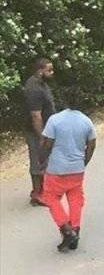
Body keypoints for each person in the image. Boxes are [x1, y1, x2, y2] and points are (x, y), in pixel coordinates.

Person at [40, 88, 96, 251]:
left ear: (64, 101)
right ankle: (76, 229)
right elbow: (91, 145)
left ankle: (66, 229)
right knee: (75, 198)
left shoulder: (55, 120)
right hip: (77, 169)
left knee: (50, 197)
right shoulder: (86, 121)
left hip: (57, 169)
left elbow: (48, 143)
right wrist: (83, 162)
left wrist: (42, 159)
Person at [23, 57, 55, 205]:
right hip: (36, 130)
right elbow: (36, 115)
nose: (52, 72)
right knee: (38, 160)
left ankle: (44, 190)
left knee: (45, 159)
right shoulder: (33, 88)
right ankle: (37, 194)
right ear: (40, 70)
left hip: (46, 129)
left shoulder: (42, 84)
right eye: (49, 70)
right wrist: (41, 135)